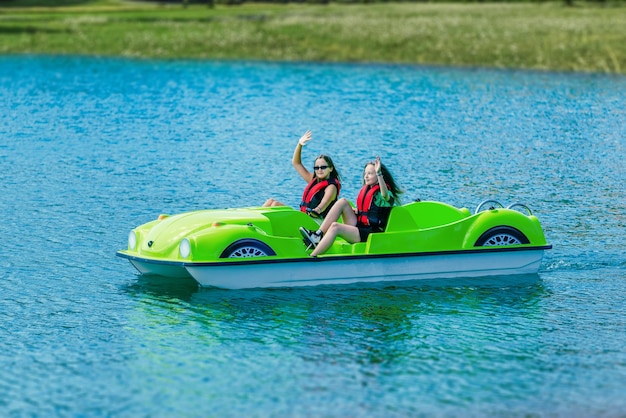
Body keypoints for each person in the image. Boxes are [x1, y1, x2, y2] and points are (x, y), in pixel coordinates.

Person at [299, 156, 402, 257]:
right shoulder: (367, 190)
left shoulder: (383, 194)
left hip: (371, 232)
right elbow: (369, 211)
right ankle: (318, 234)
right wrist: (357, 211)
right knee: (343, 201)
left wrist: (379, 173)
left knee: (335, 227)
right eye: (365, 173)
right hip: (360, 227)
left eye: (370, 173)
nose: (366, 176)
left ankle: (312, 256)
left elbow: (385, 196)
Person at [263, 130, 342, 219]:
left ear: (330, 168)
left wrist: (316, 211)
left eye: (323, 167)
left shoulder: (331, 187)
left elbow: (323, 204)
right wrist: (299, 144)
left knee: (275, 205)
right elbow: (296, 163)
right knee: (271, 201)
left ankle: (256, 226)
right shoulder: (313, 181)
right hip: (305, 217)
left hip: (316, 221)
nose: (319, 170)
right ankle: (254, 221)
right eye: (316, 168)